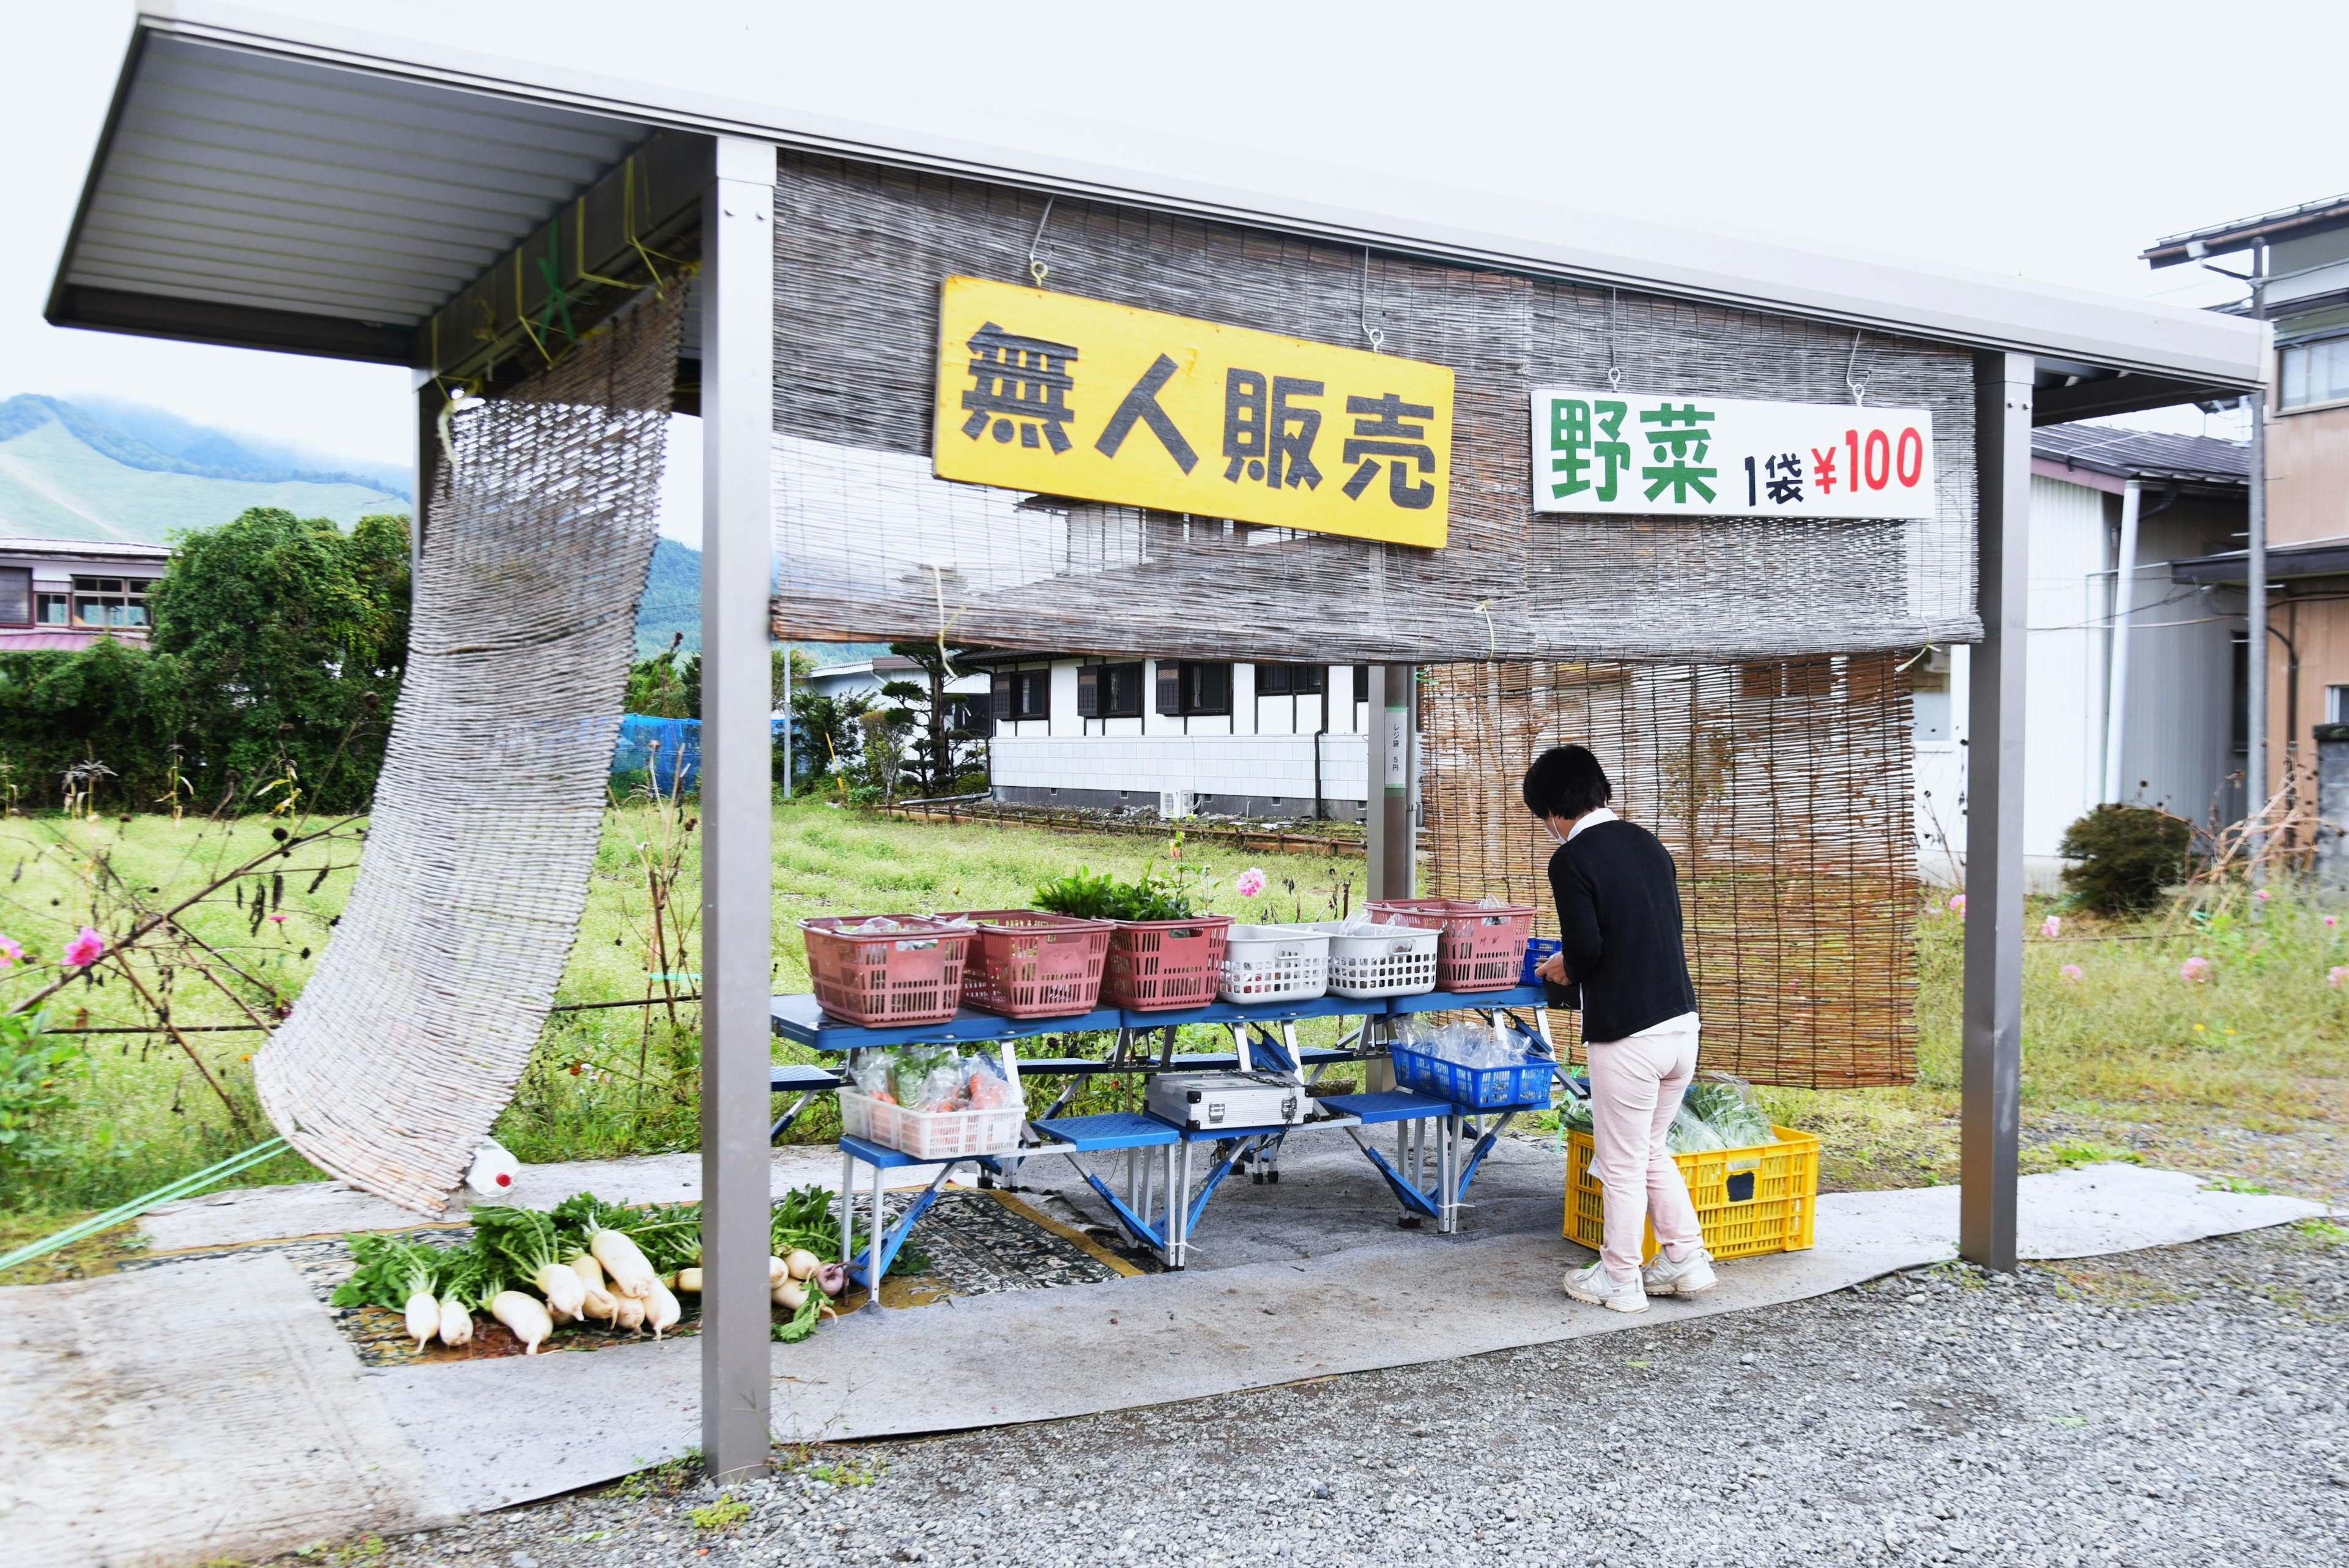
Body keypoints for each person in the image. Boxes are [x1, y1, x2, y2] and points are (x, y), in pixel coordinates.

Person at [1523, 744, 1715, 1313]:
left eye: (1544, 818)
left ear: (1555, 811)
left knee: (1621, 1162)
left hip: (1630, 1035)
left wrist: (1563, 965)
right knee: (1650, 1149)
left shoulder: (1573, 858)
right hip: (1683, 1023)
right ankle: (1685, 1258)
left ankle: (1620, 1278)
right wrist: (1577, 957)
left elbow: (1587, 946)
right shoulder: (1648, 843)